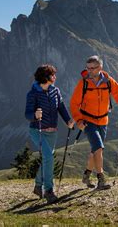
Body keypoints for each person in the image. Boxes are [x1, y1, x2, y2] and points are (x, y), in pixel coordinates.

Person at [70, 55, 118, 190]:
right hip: (88, 121)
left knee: (94, 151)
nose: (89, 71)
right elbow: (74, 103)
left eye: (93, 68)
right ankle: (101, 179)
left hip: (103, 120)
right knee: (99, 148)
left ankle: (86, 175)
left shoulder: (108, 81)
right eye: (88, 68)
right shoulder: (83, 83)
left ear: (100, 67)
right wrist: (79, 119)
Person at [25, 64, 75, 203]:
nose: (55, 77)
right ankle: (49, 191)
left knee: (47, 158)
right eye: (53, 74)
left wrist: (68, 120)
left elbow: (61, 107)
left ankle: (37, 185)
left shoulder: (55, 91)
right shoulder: (33, 93)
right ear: (46, 77)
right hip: (37, 130)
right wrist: (35, 115)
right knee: (48, 156)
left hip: (52, 132)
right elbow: (27, 114)